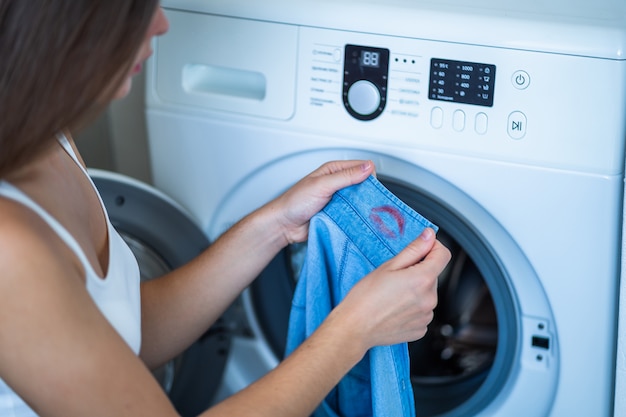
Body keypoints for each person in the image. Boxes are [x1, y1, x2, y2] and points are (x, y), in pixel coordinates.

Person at [0, 2, 451, 416]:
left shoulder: (48, 139)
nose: (161, 23)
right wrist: (356, 329)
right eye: (137, 9)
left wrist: (275, 224)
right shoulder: (9, 246)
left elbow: (131, 328)